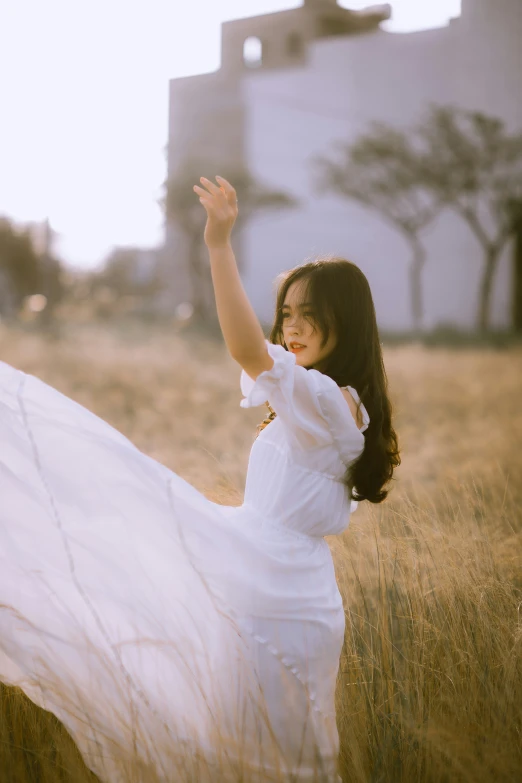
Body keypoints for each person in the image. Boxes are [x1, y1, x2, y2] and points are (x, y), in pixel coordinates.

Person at [0, 176, 400, 783]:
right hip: (258, 578)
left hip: (280, 595)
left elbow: (246, 349)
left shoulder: (330, 400)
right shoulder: (312, 399)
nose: (291, 328)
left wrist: (218, 245)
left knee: (269, 755)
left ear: (347, 321)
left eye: (309, 315)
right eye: (287, 313)